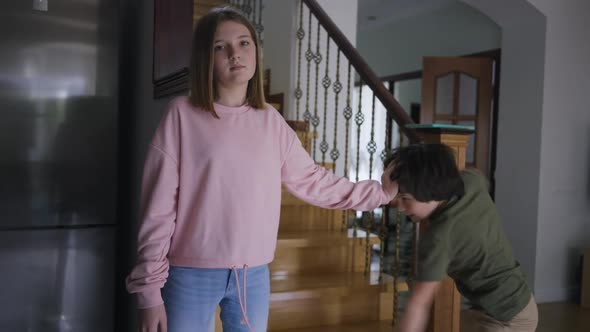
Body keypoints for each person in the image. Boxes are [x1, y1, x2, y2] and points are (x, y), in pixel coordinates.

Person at [125, 6, 398, 332]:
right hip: (189, 274)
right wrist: (149, 292)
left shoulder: (271, 122)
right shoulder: (181, 115)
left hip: (253, 275)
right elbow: (158, 210)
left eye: (244, 43)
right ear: (205, 59)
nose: (234, 54)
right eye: (219, 47)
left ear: (256, 51)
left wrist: (379, 193)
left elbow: (315, 181)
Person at [384, 143, 538, 332]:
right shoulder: (471, 182)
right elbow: (472, 174)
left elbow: (418, 304)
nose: (399, 207)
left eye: (405, 199)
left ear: (430, 189)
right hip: (515, 301)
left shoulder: (439, 238)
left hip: (507, 317)